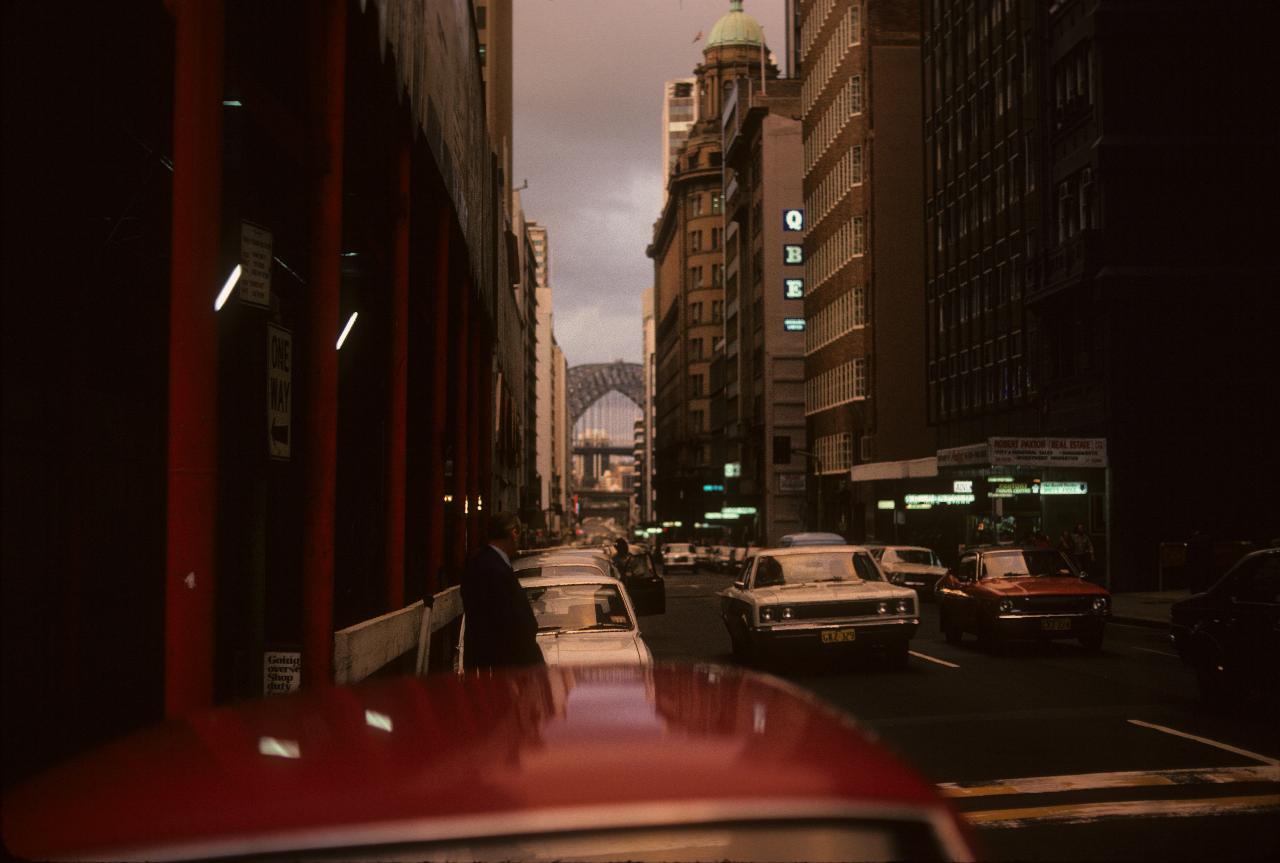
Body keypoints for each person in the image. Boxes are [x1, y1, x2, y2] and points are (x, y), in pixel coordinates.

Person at [460, 512, 545, 670]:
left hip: (500, 660)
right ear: (513, 533)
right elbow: (501, 620)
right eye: (519, 534)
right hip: (506, 663)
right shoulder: (492, 567)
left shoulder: (483, 561)